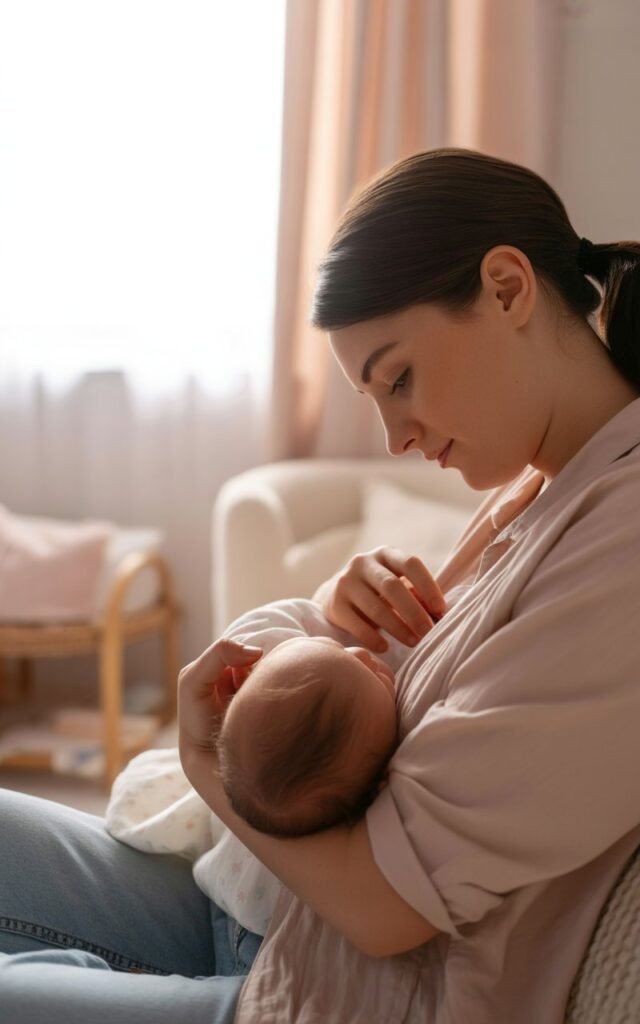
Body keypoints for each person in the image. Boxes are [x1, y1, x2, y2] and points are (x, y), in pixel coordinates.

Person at [2, 146, 640, 1024]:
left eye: (399, 379)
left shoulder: (621, 535)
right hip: (272, 915)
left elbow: (388, 910)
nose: (394, 437)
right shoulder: (538, 490)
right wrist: (339, 619)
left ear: (506, 289)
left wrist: (204, 760)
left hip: (351, 994)